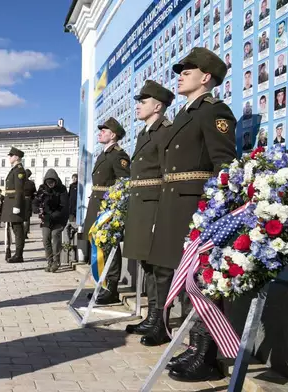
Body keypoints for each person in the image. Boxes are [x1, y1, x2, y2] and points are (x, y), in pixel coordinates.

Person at [149, 47, 236, 382]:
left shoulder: (214, 111)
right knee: (184, 280)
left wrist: (213, 212)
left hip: (196, 207)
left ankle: (207, 355)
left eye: (189, 70)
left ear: (206, 77)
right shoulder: (186, 114)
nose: (181, 74)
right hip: (175, 205)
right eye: (181, 70)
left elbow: (224, 165)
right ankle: (193, 348)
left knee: (200, 280)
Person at [122, 80, 175, 347]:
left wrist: (162, 213)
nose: (138, 107)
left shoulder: (165, 131)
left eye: (143, 102)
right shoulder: (145, 133)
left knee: (161, 268)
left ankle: (161, 322)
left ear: (157, 106)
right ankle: (152, 316)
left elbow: (168, 174)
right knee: (148, 264)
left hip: (156, 204)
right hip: (142, 205)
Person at [83, 117, 131, 305]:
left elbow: (124, 183)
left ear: (113, 135)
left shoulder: (118, 155)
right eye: (100, 130)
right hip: (97, 203)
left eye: (104, 131)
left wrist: (112, 208)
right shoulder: (104, 154)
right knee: (100, 246)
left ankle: (112, 288)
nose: (100, 133)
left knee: (109, 245)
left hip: (107, 207)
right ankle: (102, 285)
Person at [34, 169, 69, 272]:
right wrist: (36, 208)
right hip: (46, 218)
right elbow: (35, 201)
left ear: (56, 181)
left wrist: (54, 215)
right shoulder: (42, 188)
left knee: (55, 236)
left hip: (59, 218)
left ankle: (56, 261)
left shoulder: (62, 189)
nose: (50, 185)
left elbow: (64, 206)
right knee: (45, 239)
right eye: (48, 183)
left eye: (52, 183)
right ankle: (49, 261)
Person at [2, 147, 27, 263]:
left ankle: (19, 254)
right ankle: (16, 253)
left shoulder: (19, 171)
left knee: (18, 229)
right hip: (10, 203)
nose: (9, 157)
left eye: (11, 156)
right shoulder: (14, 170)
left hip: (14, 204)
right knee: (14, 228)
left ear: (16, 157)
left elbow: (19, 190)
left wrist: (17, 205)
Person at [23, 169, 36, 239]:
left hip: (20, 200)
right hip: (28, 200)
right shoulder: (31, 183)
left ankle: (20, 233)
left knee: (21, 217)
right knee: (27, 218)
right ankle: (25, 233)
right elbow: (34, 193)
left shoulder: (20, 182)